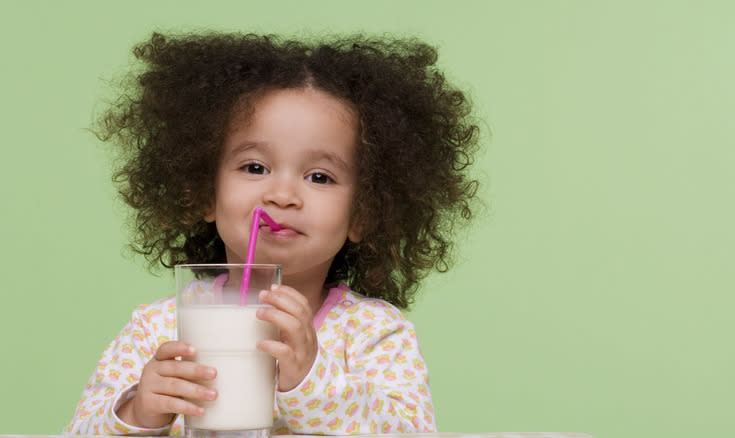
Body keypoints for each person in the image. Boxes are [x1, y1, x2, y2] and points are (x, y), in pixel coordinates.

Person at [65, 31, 480, 435]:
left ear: (364, 214)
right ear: (202, 193)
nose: (282, 195)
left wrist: (311, 380)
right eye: (254, 167)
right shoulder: (158, 328)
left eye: (319, 176)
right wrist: (138, 412)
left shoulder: (374, 334)